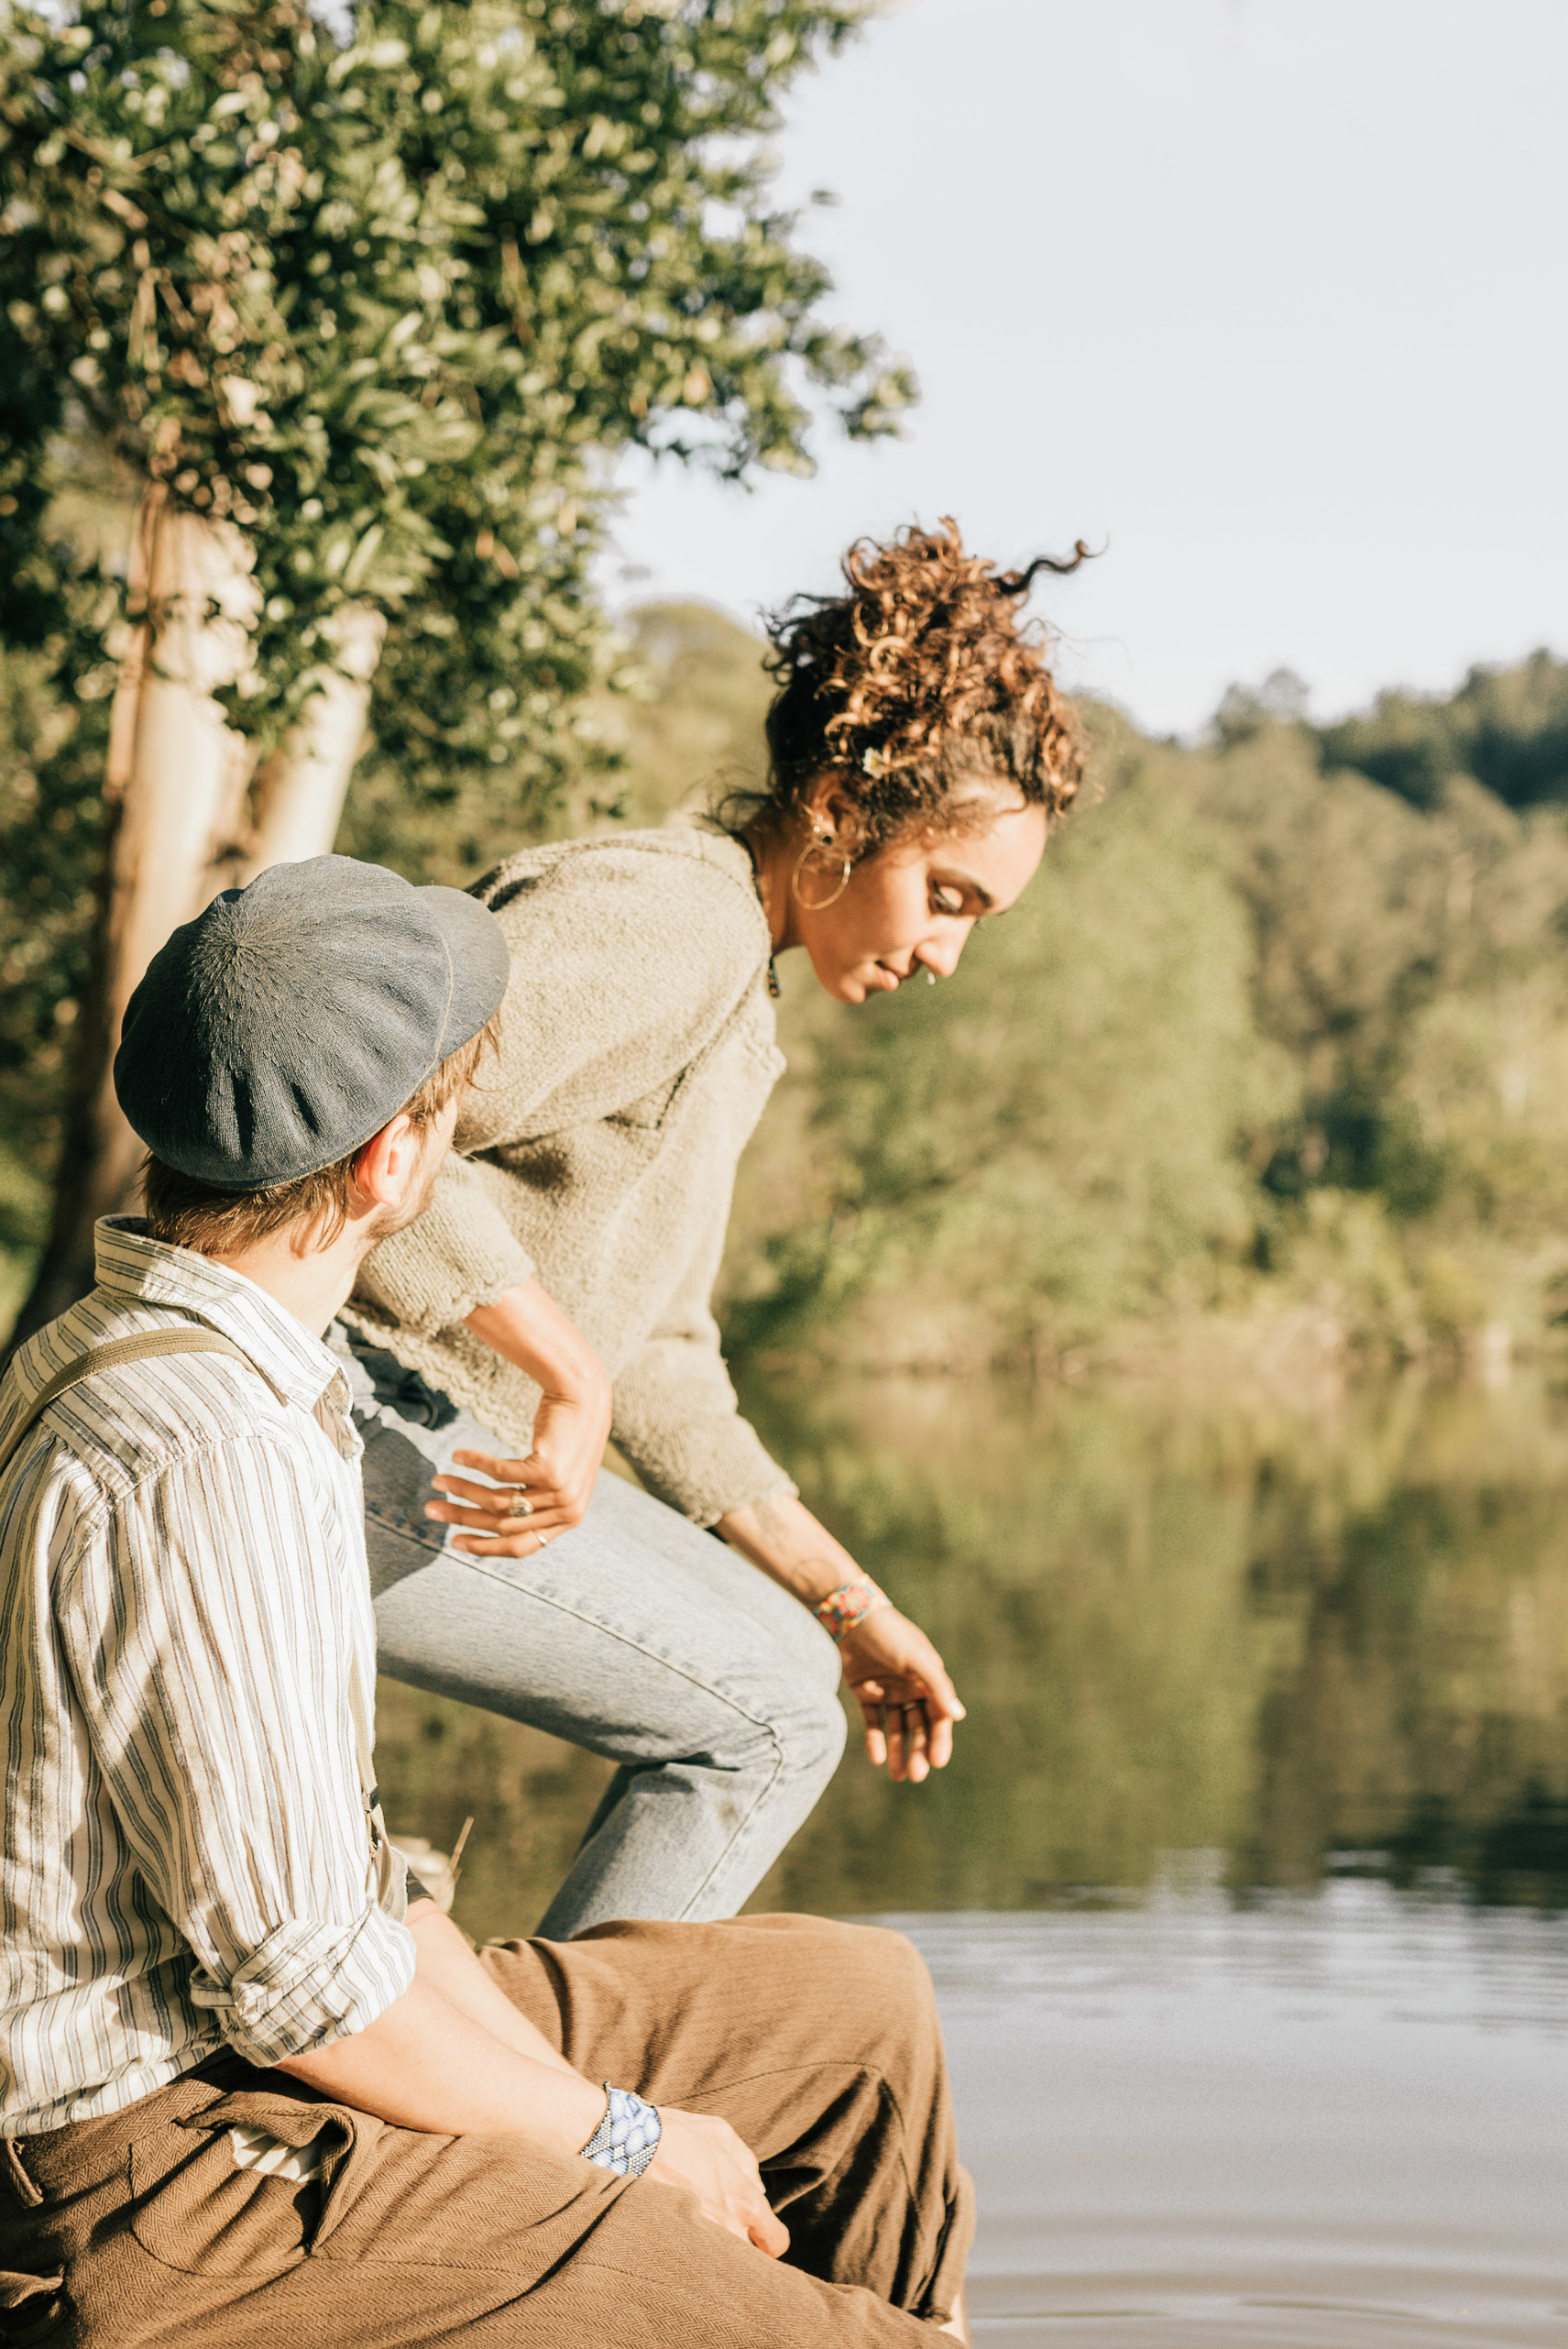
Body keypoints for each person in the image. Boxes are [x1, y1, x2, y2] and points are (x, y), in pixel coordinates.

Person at [0, 854, 1568, 2349]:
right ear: (391, 1156)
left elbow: (321, 1905)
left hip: (239, 2059)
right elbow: (304, 1976)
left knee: (855, 2005)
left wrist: (556, 2059)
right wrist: (617, 2136)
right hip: (162, 2184)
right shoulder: (196, 1440)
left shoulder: (219, 1354)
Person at [334, 520, 1079, 1936]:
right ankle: (556, 2108)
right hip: (315, 1424)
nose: (947, 954)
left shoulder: (740, 988)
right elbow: (370, 1110)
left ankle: (544, 2081)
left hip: (417, 1426)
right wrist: (562, 1366)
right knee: (765, 1723)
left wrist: (853, 1606)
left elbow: (663, 1352)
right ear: (843, 807)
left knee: (799, 1675)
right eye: (950, 894)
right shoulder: (672, 922)